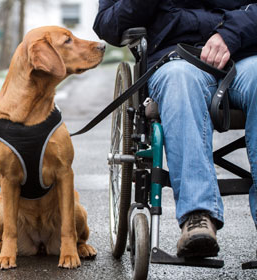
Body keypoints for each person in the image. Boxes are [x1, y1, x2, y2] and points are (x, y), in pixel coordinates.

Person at [93, 1, 257, 258]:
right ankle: (197, 216)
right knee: (180, 81)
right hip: (175, 58)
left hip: (243, 54)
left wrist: (231, 34)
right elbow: (108, 25)